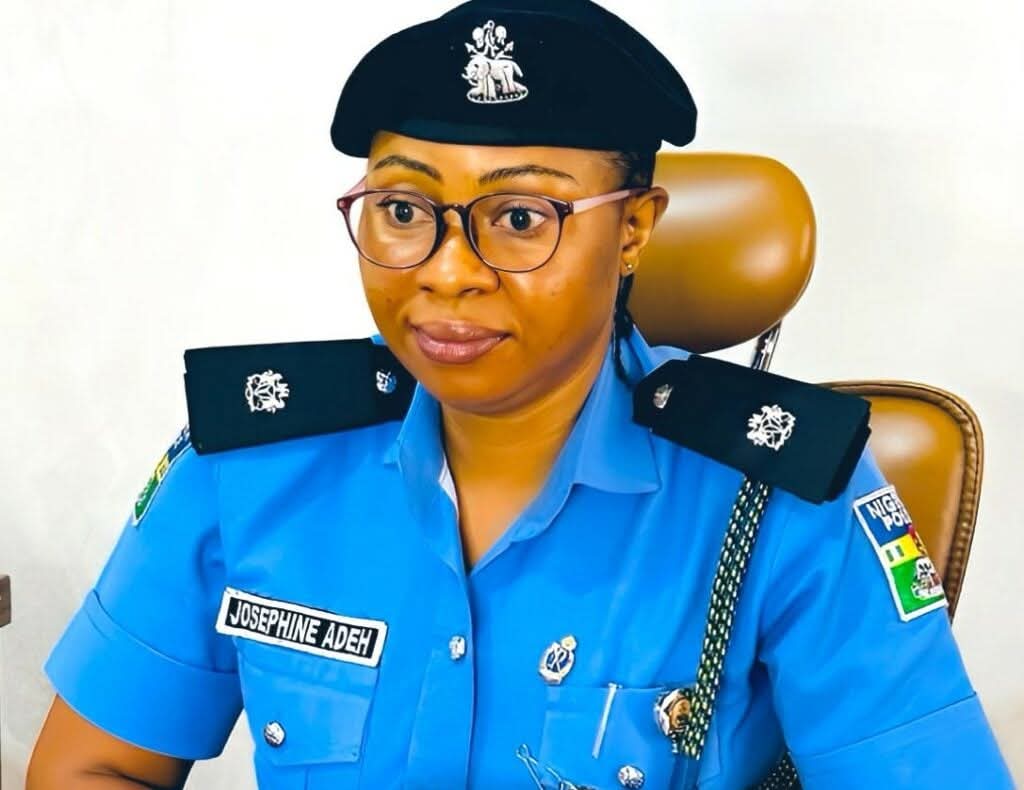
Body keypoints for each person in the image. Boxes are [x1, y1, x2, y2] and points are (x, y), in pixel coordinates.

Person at [27, 1, 1013, 788]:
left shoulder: (782, 500)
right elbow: (94, 764)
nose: (448, 271)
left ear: (634, 229)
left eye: (520, 217)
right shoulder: (252, 464)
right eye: (404, 208)